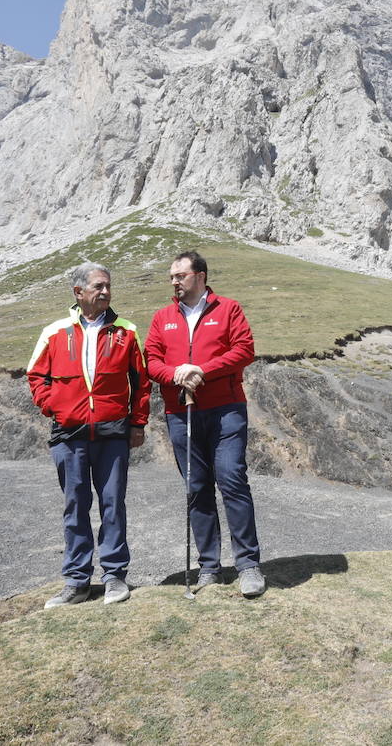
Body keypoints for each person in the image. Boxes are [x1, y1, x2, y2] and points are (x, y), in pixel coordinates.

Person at [27, 262, 149, 609]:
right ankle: (77, 581)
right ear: (78, 292)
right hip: (69, 432)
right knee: (75, 506)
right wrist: (54, 405)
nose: (105, 292)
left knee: (112, 505)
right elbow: (36, 375)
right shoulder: (55, 331)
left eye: (108, 286)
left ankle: (114, 577)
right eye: (98, 286)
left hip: (113, 432)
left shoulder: (126, 331)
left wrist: (138, 424)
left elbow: (141, 383)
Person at [145, 250, 264, 597]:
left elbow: (244, 350)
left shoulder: (228, 309)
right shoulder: (163, 317)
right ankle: (209, 567)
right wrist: (175, 374)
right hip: (181, 413)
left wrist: (202, 370)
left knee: (231, 480)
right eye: (171, 277)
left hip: (226, 409)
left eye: (180, 275)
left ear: (200, 276)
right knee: (197, 488)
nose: (174, 282)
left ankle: (248, 565)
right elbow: (151, 360)